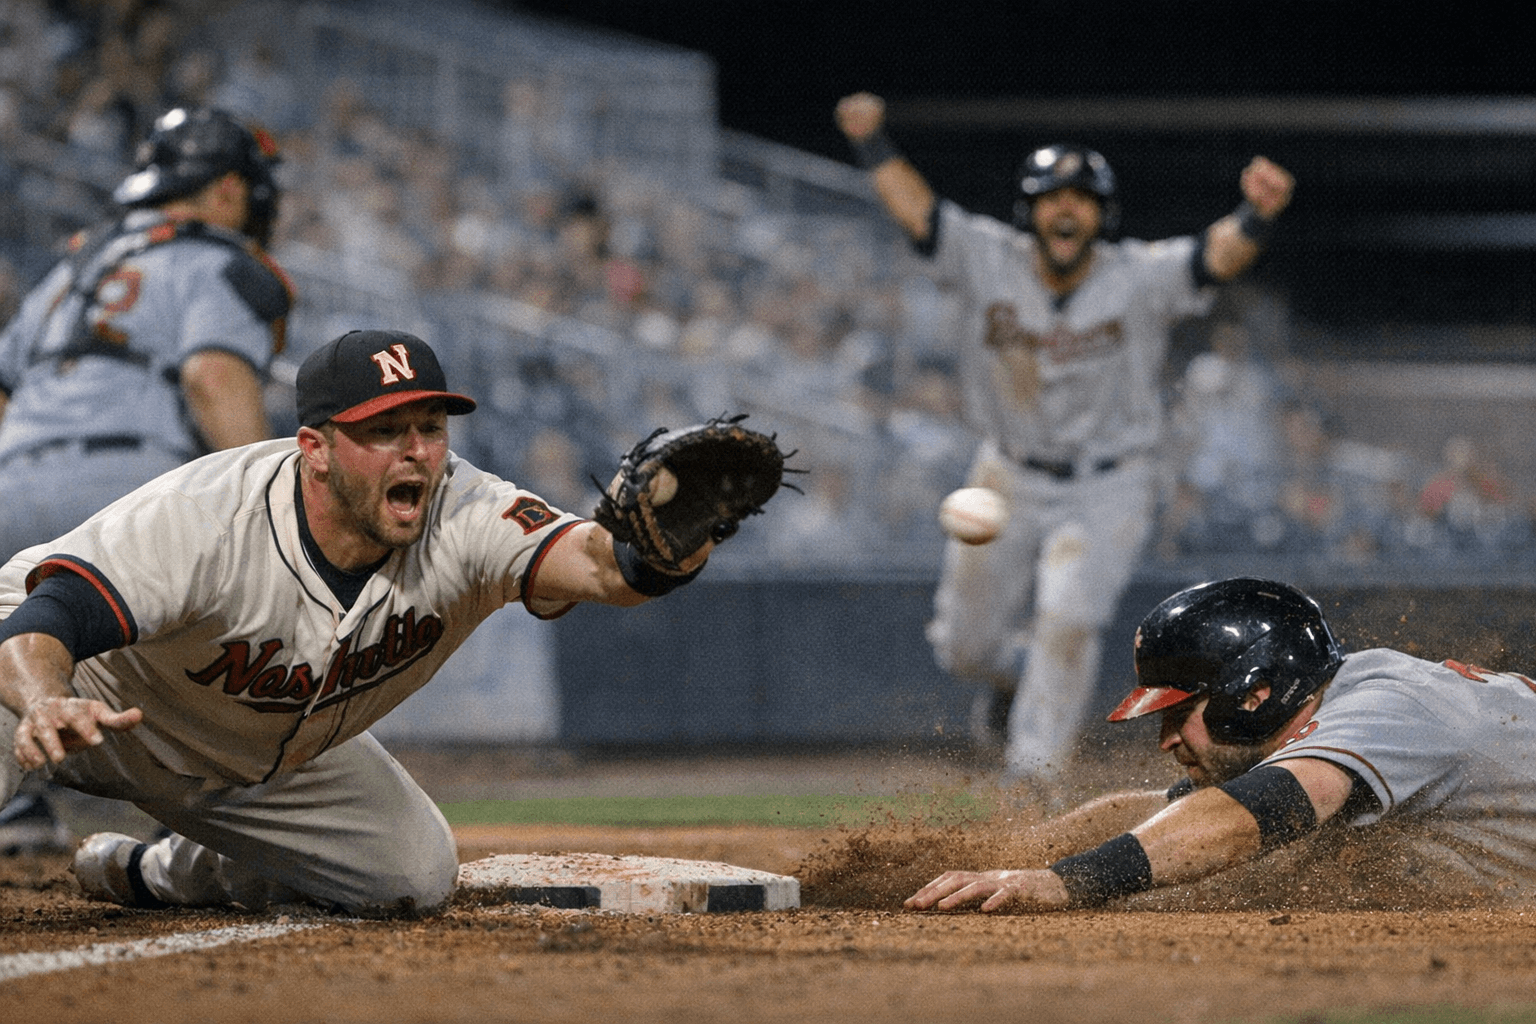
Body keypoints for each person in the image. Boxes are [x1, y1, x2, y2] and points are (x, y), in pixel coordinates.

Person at [0, 328, 735, 918]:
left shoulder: (465, 510)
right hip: (82, 695)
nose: (416, 449)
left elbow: (607, 569)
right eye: (385, 430)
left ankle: (154, 872)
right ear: (315, 450)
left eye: (430, 425)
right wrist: (41, 700)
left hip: (255, 758)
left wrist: (676, 546)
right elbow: (49, 613)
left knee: (411, 875)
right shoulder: (209, 517)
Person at [833, 92, 1296, 791]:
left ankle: (1032, 777)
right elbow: (918, 212)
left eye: (1081, 198)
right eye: (1052, 197)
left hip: (1110, 482)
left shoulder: (1136, 275)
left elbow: (1214, 258)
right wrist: (872, 142)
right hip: (1006, 474)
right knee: (963, 647)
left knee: (1070, 617)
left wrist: (1256, 214)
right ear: (1030, 210)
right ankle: (1011, 677)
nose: (1067, 209)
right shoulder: (988, 257)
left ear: (1101, 215)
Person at [0, 105, 291, 854]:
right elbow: (210, 373)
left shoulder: (69, 269)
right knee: (216, 615)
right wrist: (261, 505)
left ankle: (20, 804)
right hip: (129, 477)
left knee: (17, 636)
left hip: (12, 474)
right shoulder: (224, 260)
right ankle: (195, 811)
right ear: (228, 189)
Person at [905, 576, 1536, 913]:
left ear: (1253, 693)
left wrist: (1066, 881)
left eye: (1182, 712)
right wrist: (1008, 860)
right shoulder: (1346, 701)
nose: (1167, 740)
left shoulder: (1390, 708)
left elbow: (1241, 821)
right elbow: (1160, 816)